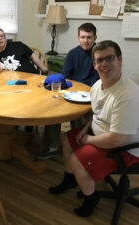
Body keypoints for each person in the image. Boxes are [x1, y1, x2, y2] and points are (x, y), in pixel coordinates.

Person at [49, 40, 139, 217]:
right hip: (104, 134)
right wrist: (84, 130)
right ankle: (69, 180)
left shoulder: (128, 95)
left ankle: (92, 198)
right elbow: (96, 113)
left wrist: (88, 140)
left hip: (124, 148)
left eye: (109, 58)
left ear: (120, 59)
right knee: (67, 139)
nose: (104, 64)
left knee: (77, 159)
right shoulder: (98, 85)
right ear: (94, 64)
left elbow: (117, 139)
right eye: (99, 60)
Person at [37, 23, 100, 159]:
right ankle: (52, 146)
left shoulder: (99, 54)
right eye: (82, 37)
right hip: (72, 91)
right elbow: (65, 75)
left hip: (90, 94)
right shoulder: (72, 53)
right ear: (78, 38)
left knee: (79, 115)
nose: (86, 40)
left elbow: (98, 81)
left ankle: (78, 146)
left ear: (95, 38)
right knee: (53, 110)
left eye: (89, 37)